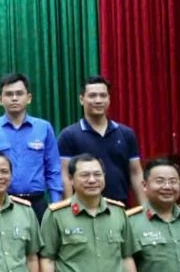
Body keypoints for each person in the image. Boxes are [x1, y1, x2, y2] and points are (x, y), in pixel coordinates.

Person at [0, 73, 62, 220]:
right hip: (1, 202)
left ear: (29, 98)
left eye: (19, 93)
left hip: (37, 203)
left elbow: (53, 169)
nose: (14, 98)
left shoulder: (44, 128)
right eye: (9, 94)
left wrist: (56, 204)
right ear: (0, 100)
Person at [57, 75, 144, 205]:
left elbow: (136, 173)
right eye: (92, 96)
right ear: (81, 99)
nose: (98, 100)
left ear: (109, 99)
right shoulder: (69, 135)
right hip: (83, 208)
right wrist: (69, 206)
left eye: (103, 96)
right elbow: (64, 175)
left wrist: (144, 208)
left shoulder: (126, 134)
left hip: (120, 206)